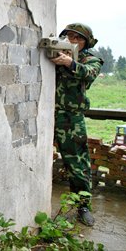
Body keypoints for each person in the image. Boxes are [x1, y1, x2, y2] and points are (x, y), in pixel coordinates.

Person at [50, 23, 103, 226]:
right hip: (47, 115)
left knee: (78, 166)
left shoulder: (90, 59)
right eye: (69, 36)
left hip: (71, 119)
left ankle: (83, 206)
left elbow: (89, 73)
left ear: (85, 42)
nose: (72, 40)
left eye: (77, 38)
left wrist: (69, 63)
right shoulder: (53, 54)